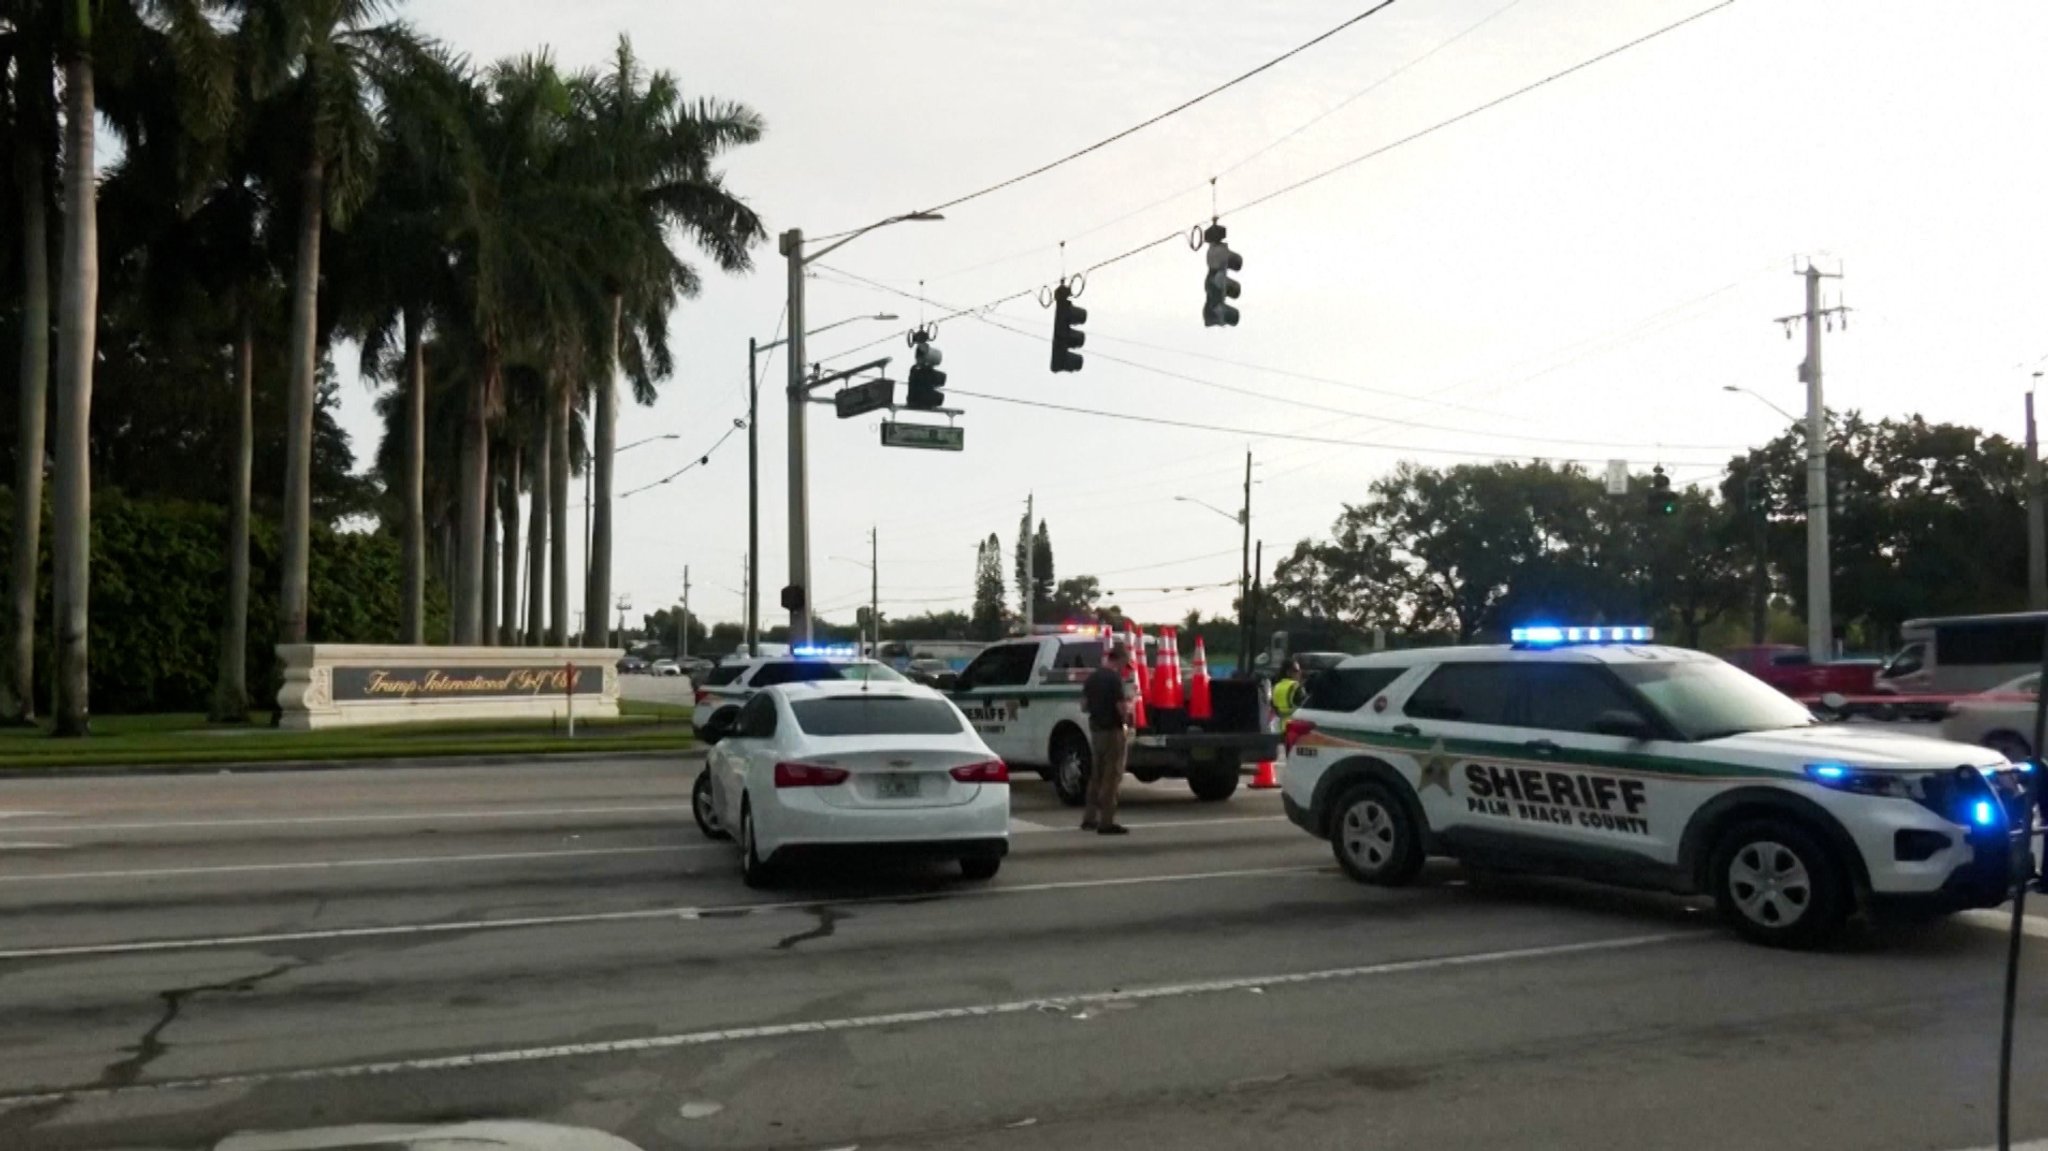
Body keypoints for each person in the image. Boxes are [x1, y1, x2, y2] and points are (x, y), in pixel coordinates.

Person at [1081, 641, 1135, 835]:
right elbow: (1121, 707)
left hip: (1096, 730)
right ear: (1119, 659)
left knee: (1096, 775)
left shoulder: (1092, 678)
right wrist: (1128, 720)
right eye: (1124, 663)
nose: (1124, 668)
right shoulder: (1114, 679)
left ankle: (1089, 818)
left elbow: (1084, 706)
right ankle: (1106, 822)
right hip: (1113, 731)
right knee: (1112, 777)